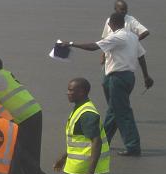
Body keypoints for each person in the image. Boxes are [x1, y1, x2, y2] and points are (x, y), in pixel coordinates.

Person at [62, 12, 154, 156]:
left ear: (111, 24)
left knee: (123, 113)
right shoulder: (132, 37)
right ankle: (103, 141)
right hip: (129, 77)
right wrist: (146, 76)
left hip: (117, 78)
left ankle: (133, 146)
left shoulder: (116, 37)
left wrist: (71, 44)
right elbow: (141, 55)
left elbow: (93, 46)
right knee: (113, 111)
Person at [100, 0, 150, 66]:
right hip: (110, 58)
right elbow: (105, 38)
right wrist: (103, 55)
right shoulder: (109, 20)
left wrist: (133, 41)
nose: (124, 11)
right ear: (115, 9)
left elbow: (145, 32)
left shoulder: (130, 20)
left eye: (126, 9)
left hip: (124, 57)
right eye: (122, 9)